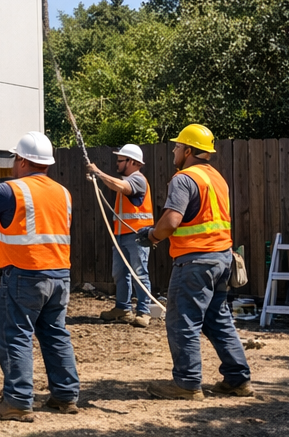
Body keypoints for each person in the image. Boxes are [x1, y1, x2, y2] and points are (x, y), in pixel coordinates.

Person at [0, 131, 80, 422]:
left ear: (24, 161)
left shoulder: (11, 190)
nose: (14, 163)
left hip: (24, 275)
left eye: (16, 158)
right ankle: (65, 397)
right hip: (59, 275)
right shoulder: (63, 193)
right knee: (55, 334)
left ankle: (16, 401)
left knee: (16, 336)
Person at [136, 124, 253, 400]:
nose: (174, 150)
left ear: (188, 150)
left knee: (182, 320)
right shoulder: (216, 178)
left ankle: (187, 384)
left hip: (195, 262)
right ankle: (238, 379)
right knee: (217, 319)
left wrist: (152, 236)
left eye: (177, 146)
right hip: (222, 259)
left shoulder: (184, 178)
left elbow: (172, 221)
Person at [86, 143, 154, 327]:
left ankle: (144, 311)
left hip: (136, 234)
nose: (117, 163)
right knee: (120, 273)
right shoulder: (127, 180)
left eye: (120, 160)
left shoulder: (138, 179)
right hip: (121, 234)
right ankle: (123, 309)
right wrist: (98, 177)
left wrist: (98, 172)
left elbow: (122, 187)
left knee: (139, 273)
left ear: (131, 162)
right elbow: (115, 185)